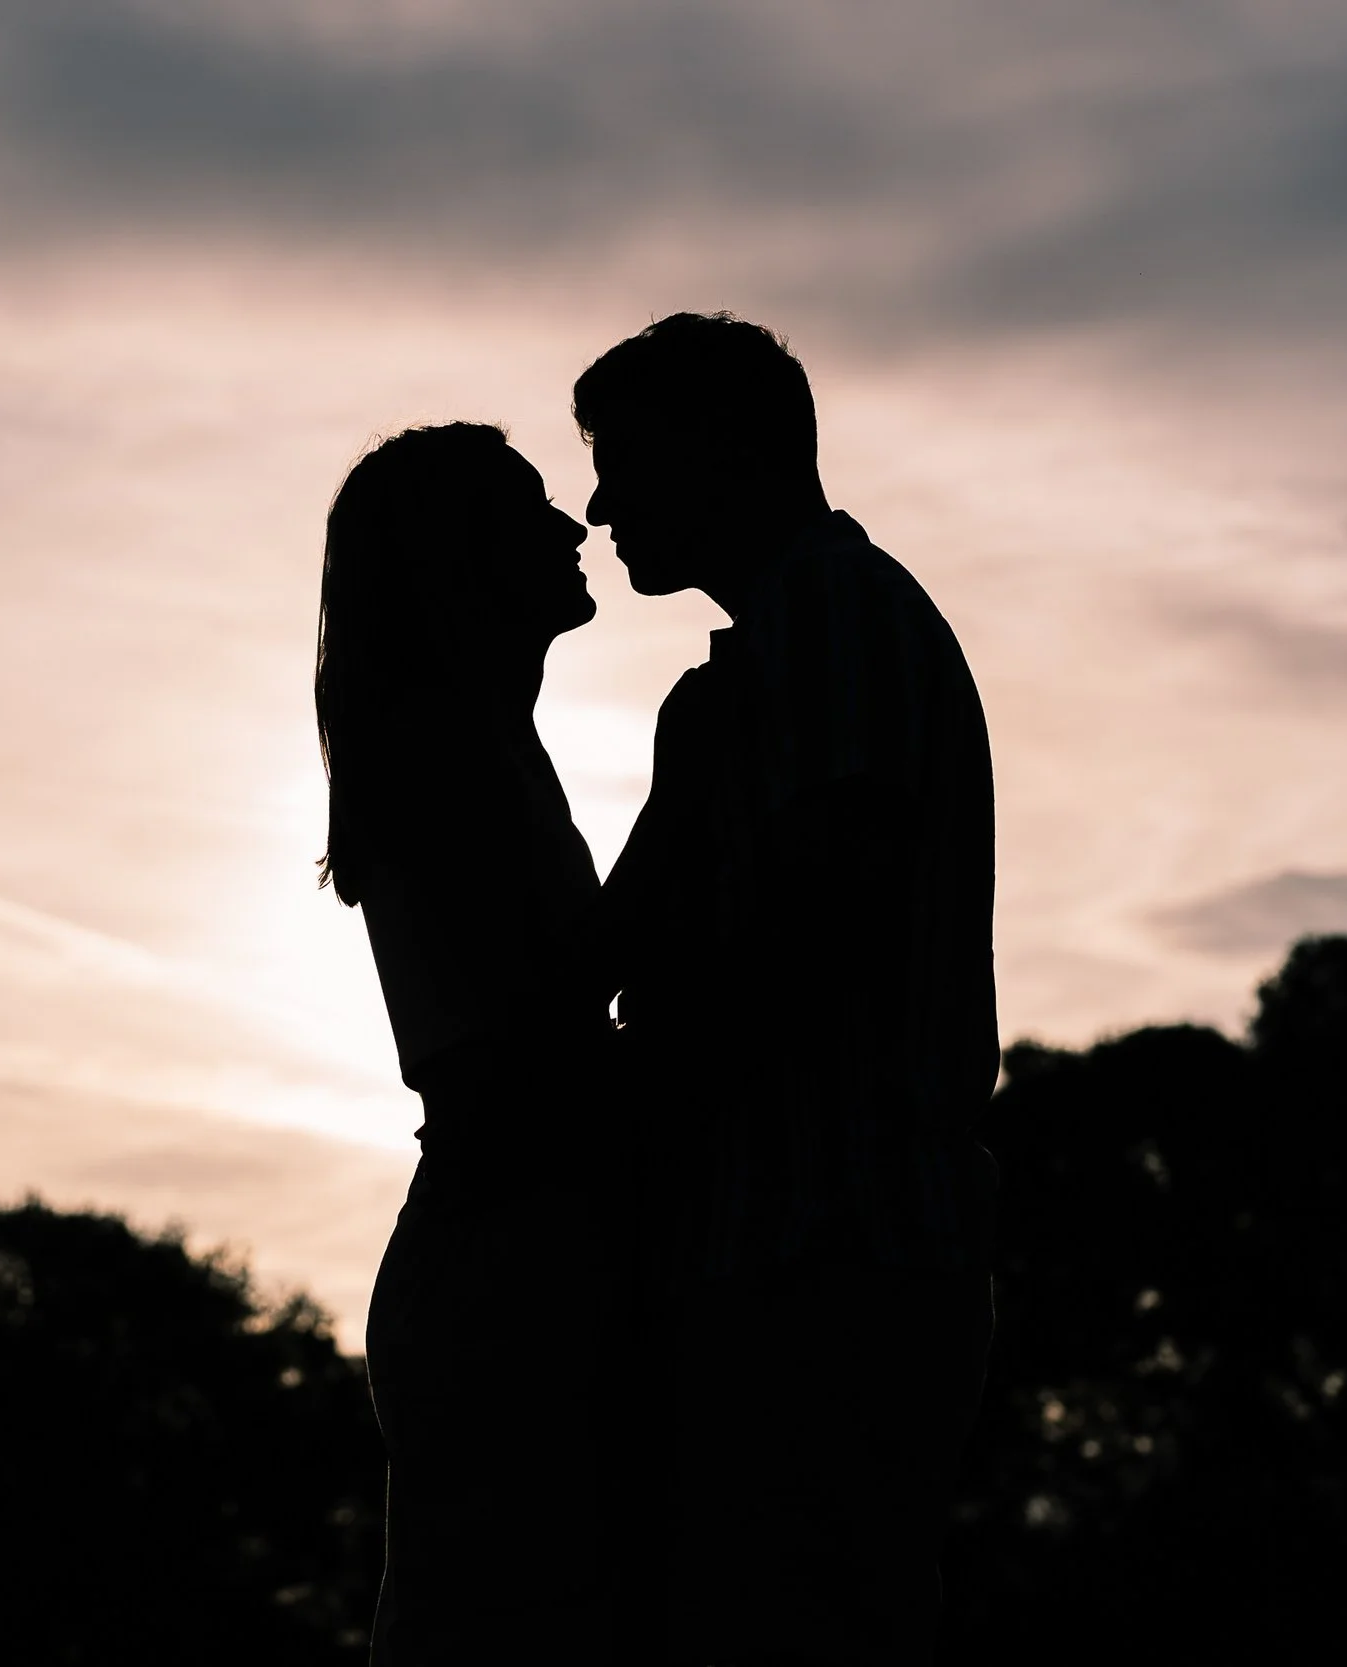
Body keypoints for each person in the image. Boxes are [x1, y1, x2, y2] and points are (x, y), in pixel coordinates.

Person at [576, 313, 999, 1666]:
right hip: (808, 1242)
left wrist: (646, 1053)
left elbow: (823, 922)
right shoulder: (778, 648)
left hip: (830, 1239)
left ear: (721, 451)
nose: (600, 506)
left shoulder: (830, 613)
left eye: (622, 461)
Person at [315, 422, 629, 1661]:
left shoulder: (478, 747)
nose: (570, 525)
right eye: (526, 509)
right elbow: (516, 1054)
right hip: (510, 1262)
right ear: (460, 558)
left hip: (507, 1247)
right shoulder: (446, 760)